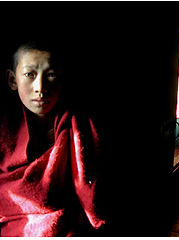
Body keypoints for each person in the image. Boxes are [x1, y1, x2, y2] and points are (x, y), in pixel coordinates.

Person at [0, 41, 105, 236]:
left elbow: (93, 188)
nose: (40, 87)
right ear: (12, 80)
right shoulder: (4, 126)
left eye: (50, 75)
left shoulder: (79, 123)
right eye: (29, 75)